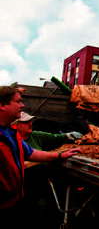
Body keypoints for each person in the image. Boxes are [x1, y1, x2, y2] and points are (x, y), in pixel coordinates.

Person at [0, 86, 82, 228]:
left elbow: (30, 153)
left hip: (15, 201)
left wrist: (60, 155)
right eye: (18, 102)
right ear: (2, 106)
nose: (23, 105)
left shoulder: (11, 132)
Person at [13, 111, 83, 151]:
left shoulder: (35, 135)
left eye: (31, 121)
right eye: (26, 122)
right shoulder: (10, 141)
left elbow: (54, 137)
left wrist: (67, 135)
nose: (30, 124)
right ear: (15, 125)